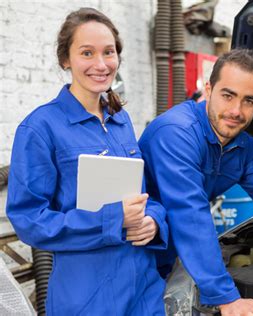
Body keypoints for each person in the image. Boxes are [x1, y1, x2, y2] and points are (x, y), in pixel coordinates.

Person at [7, 8, 168, 315]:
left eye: (109, 52)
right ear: (66, 60)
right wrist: (111, 219)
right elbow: (28, 219)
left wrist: (153, 223)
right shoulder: (41, 127)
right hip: (88, 298)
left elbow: (147, 197)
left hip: (145, 292)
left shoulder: (121, 122)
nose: (100, 64)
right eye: (87, 53)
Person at [139, 48, 253, 316]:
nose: (236, 111)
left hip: (171, 253)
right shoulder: (176, 134)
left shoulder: (243, 147)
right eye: (228, 95)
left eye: (248, 101)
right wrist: (227, 298)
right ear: (208, 89)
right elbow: (190, 216)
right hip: (132, 254)